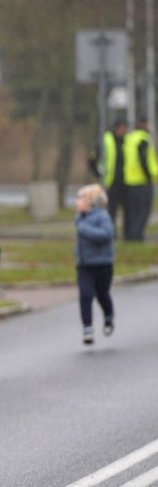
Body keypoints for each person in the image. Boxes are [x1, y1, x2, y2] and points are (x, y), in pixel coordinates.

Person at [74, 184, 115, 345]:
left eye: (81, 199)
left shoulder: (102, 216)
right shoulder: (79, 218)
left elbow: (106, 235)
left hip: (103, 264)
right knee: (85, 295)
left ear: (92, 201)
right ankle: (87, 328)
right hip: (84, 265)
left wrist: (85, 230)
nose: (77, 202)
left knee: (102, 294)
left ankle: (108, 315)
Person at [121, 116, 158, 240]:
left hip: (129, 181)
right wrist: (149, 176)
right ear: (144, 124)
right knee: (143, 212)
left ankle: (131, 235)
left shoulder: (129, 139)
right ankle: (137, 236)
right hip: (142, 182)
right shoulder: (143, 140)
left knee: (132, 212)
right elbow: (144, 161)